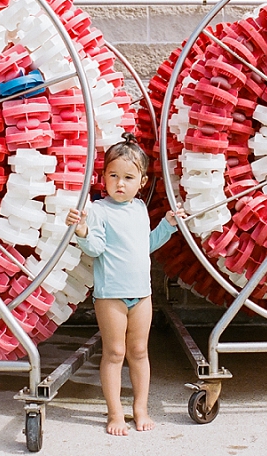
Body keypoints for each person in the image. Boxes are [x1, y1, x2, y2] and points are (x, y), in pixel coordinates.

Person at [66, 132, 186, 436]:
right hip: (111, 297)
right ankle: (115, 412)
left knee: (140, 352)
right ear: (103, 177)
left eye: (128, 177)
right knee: (114, 353)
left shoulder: (139, 209)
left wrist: (168, 226)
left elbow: (143, 245)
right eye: (114, 175)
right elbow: (95, 249)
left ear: (142, 181)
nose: (120, 183)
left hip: (141, 295)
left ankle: (141, 408)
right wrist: (81, 231)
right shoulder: (99, 210)